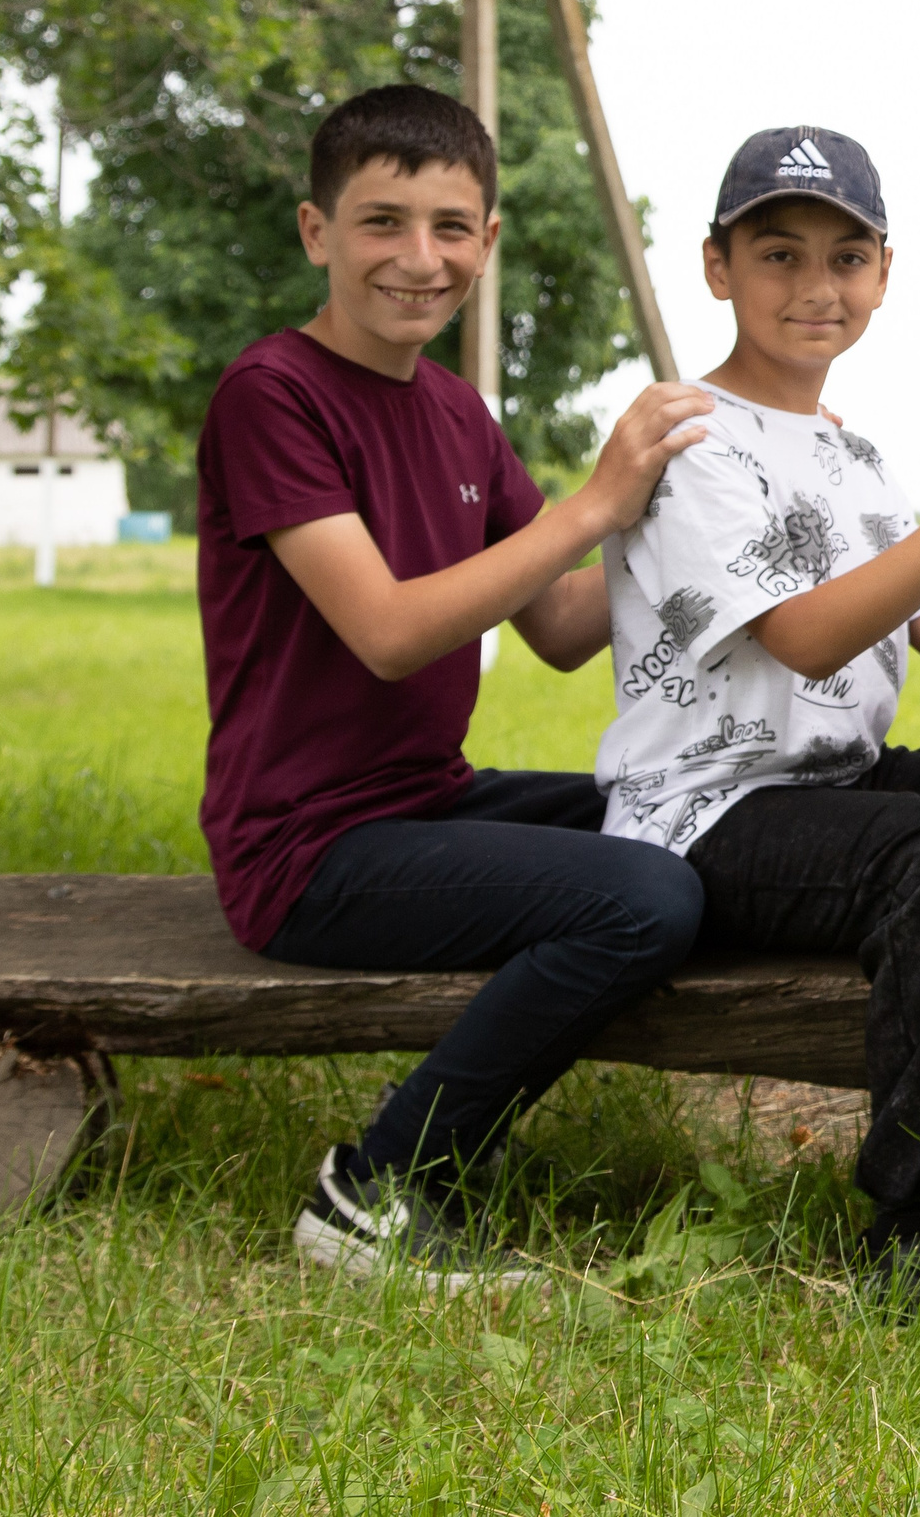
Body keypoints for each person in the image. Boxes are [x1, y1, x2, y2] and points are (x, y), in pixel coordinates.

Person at [195, 83, 715, 1288]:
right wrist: (593, 504)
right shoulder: (270, 395)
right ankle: (378, 1187)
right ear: (317, 232)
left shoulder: (457, 411)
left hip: (425, 798)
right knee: (642, 898)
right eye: (382, 223)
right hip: (305, 851)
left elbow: (565, 624)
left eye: (449, 227)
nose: (417, 259)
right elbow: (385, 632)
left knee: (690, 812)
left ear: (486, 240)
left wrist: (722, 557)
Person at [595, 126, 920, 1289]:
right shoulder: (693, 439)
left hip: (827, 786)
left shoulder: (851, 451)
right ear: (716, 267)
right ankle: (916, 1227)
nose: (814, 287)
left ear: (883, 274)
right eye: (778, 255)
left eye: (844, 258)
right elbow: (806, 632)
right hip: (706, 812)